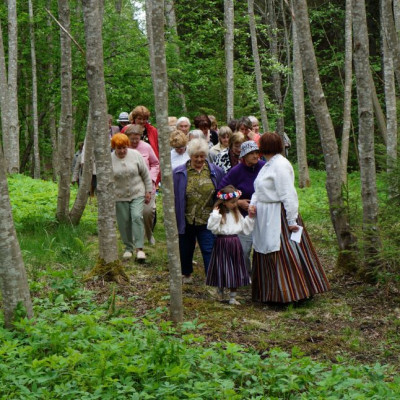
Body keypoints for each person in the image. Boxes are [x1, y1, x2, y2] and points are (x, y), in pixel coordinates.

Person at [250, 132, 330, 303]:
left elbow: (288, 194)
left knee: (283, 252)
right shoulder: (267, 165)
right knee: (265, 250)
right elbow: (258, 189)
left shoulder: (281, 165)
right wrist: (253, 204)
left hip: (278, 215)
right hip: (265, 216)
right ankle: (270, 294)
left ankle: (293, 294)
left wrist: (291, 220)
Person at [173, 138, 225, 283]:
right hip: (186, 217)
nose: (199, 159)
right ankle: (187, 274)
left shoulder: (215, 171)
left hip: (207, 218)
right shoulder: (179, 172)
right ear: (190, 156)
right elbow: (174, 195)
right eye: (196, 156)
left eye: (202, 155)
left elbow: (221, 191)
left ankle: (212, 278)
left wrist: (219, 207)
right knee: (185, 249)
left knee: (209, 248)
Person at [218, 140, 264, 273]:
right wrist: (238, 202)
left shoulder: (263, 166)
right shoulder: (236, 171)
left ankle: (260, 277)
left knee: (264, 249)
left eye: (257, 153)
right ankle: (245, 275)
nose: (255, 156)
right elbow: (220, 192)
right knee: (243, 250)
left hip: (263, 214)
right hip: (243, 218)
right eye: (251, 153)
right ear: (244, 156)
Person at [206, 185, 255, 305]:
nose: (235, 204)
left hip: (234, 243)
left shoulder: (236, 213)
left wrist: (251, 217)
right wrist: (215, 215)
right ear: (224, 202)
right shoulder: (217, 215)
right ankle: (220, 292)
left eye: (235, 202)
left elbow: (245, 229)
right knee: (222, 267)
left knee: (235, 268)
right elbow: (212, 228)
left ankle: (233, 297)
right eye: (232, 202)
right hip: (222, 243)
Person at [111, 133, 152, 261]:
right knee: (124, 222)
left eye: (124, 147)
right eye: (119, 148)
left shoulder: (136, 155)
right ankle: (128, 248)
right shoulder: (109, 159)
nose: (122, 151)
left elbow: (145, 174)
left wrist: (148, 191)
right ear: (114, 148)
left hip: (137, 192)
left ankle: (139, 249)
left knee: (136, 216)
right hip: (119, 195)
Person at [125, 125, 160, 245]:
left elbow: (155, 164)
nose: (134, 141)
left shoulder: (147, 147)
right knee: (134, 214)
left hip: (147, 185)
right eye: (132, 139)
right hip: (130, 186)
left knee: (148, 212)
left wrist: (151, 179)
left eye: (137, 138)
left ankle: (149, 234)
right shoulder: (123, 148)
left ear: (141, 137)